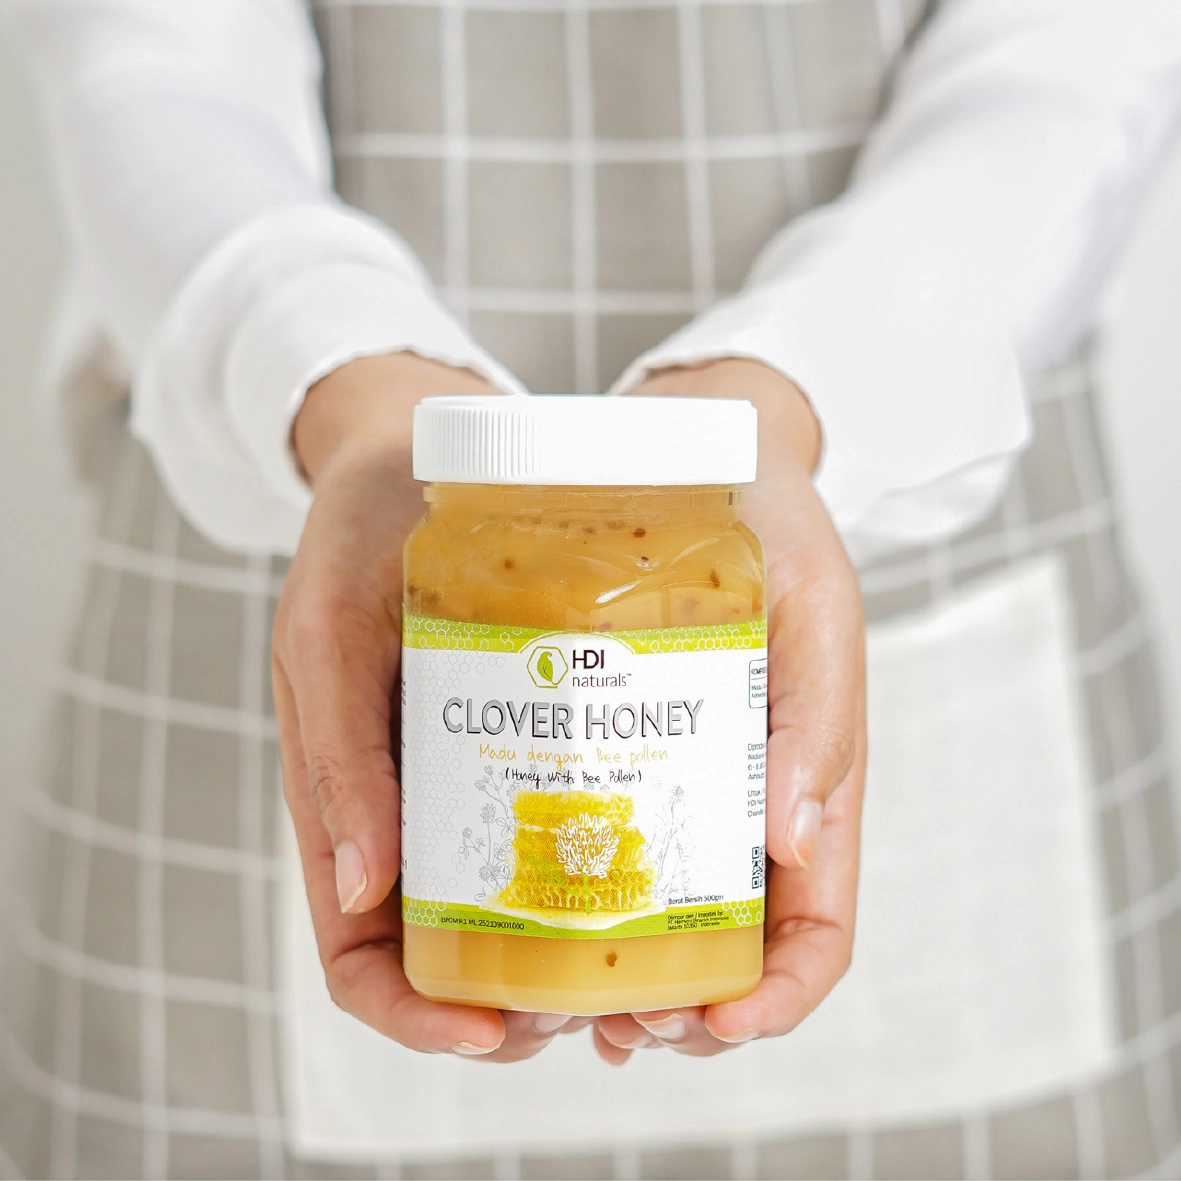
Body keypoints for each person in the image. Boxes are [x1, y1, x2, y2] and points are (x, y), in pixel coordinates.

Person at [1, 0, 1180, 1176]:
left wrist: (804, 385)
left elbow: (1073, 53)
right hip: (299, 550)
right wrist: (348, 398)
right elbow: (149, 62)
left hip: (937, 566)